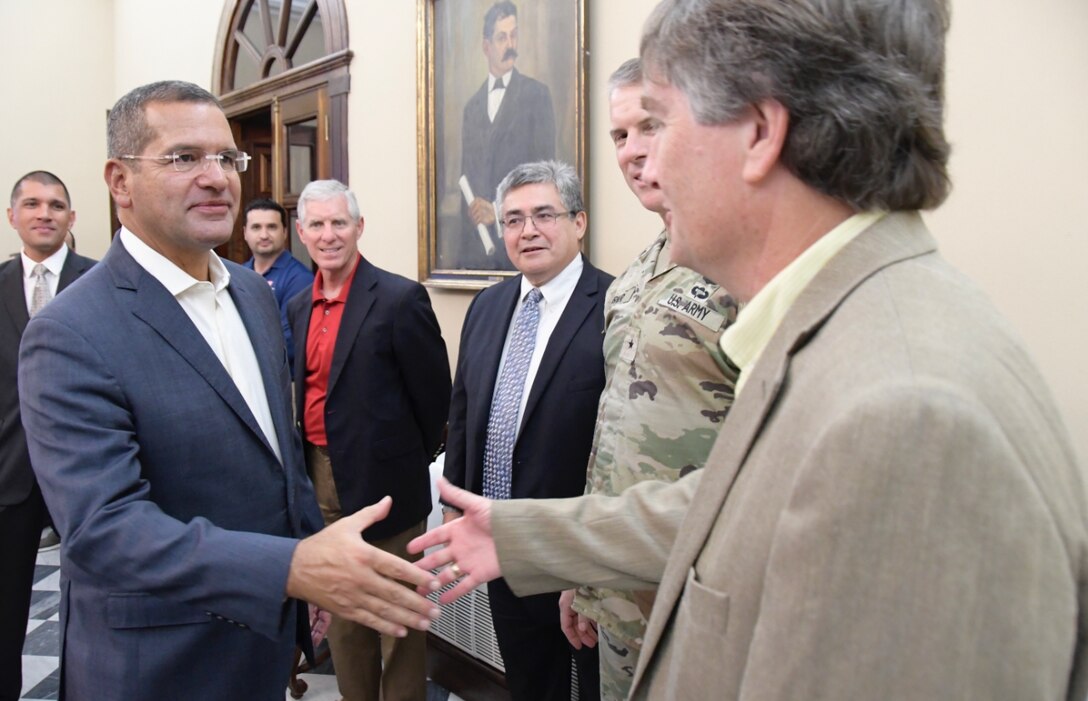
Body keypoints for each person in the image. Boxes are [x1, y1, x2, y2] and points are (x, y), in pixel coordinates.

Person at [410, 1, 1088, 699]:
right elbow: (730, 504)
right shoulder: (842, 326)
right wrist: (535, 538)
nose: (641, 158)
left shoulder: (904, 413)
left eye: (660, 122)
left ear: (761, 133)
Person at [17, 81, 440, 701]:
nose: (216, 177)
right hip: (160, 660)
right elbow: (105, 528)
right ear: (119, 181)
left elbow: (278, 452)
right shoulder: (70, 330)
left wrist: (300, 570)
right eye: (184, 158)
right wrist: (290, 570)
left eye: (227, 158)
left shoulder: (252, 297)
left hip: (264, 644)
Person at [557, 57, 739, 701]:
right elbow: (613, 429)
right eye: (619, 136)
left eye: (649, 127)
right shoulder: (634, 273)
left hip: (702, 584)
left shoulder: (743, 263)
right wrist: (587, 573)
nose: (633, 152)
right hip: (621, 579)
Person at [444, 160, 611, 701]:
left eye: (544, 215)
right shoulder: (488, 306)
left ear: (579, 222)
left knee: (590, 685)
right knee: (528, 679)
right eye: (513, 219)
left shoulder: (615, 306)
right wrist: (455, 503)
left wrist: (587, 562)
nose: (527, 231)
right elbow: (464, 410)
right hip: (500, 540)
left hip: (575, 547)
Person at [287, 179, 451, 701]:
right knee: (342, 613)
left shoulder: (400, 298)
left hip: (388, 487)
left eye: (339, 223)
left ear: (359, 227)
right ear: (301, 233)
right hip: (318, 480)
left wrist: (400, 459)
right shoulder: (295, 306)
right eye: (317, 224)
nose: (329, 234)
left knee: (400, 619)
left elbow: (435, 401)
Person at [1, 171, 95, 701]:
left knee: (93, 607)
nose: (44, 213)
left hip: (85, 471)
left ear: (71, 218)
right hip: (9, 476)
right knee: (5, 613)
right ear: (12, 216)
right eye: (32, 204)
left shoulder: (100, 281)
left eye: (56, 205)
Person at [458, 0, 555, 270]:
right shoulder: (471, 108)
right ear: (486, 46)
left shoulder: (537, 96)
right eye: (502, 37)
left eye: (514, 35)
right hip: (478, 254)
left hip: (527, 251)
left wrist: (497, 210)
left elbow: (546, 178)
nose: (510, 44)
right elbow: (467, 177)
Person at [242, 197, 313, 371]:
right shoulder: (237, 275)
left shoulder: (300, 279)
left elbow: (287, 342)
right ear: (245, 233)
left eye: (272, 227)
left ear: (285, 232)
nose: (264, 235)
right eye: (256, 227)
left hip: (284, 381)